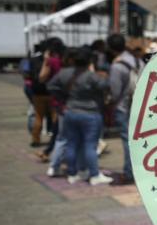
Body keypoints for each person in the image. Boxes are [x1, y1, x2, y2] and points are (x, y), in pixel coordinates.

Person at [48, 47, 112, 186]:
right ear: (89, 60)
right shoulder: (91, 76)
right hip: (90, 113)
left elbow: (51, 86)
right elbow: (106, 86)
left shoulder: (64, 73)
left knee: (71, 144)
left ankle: (73, 173)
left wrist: (62, 99)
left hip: (70, 112)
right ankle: (94, 174)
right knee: (90, 145)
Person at [107, 33, 141, 186]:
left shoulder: (117, 66)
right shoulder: (137, 60)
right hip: (139, 106)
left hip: (124, 107)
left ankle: (129, 173)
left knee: (128, 141)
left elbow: (114, 92)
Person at [29, 37, 64, 147]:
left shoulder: (35, 59)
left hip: (38, 92)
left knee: (39, 116)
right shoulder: (59, 60)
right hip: (53, 93)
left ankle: (36, 139)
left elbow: (33, 76)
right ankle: (55, 137)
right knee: (55, 117)